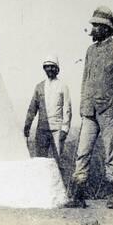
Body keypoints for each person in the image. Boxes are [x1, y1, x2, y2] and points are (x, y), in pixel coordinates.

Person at [66, 6, 113, 209]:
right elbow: (85, 79)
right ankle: (78, 197)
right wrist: (83, 105)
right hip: (89, 112)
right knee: (82, 152)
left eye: (95, 26)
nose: (92, 29)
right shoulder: (90, 51)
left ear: (106, 28)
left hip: (108, 112)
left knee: (110, 152)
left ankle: (111, 196)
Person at [24, 55, 72, 187]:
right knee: (40, 161)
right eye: (47, 66)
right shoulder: (39, 86)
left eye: (52, 66)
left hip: (57, 130)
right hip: (42, 130)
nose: (49, 69)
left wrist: (64, 129)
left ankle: (60, 190)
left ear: (57, 69)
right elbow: (32, 108)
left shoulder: (63, 86)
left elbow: (67, 108)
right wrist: (27, 125)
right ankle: (40, 188)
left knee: (57, 162)